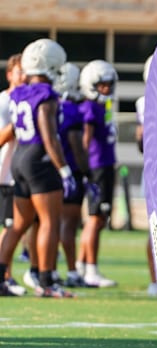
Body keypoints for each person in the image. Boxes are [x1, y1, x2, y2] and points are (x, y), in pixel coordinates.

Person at [0, 38, 76, 298]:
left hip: (20, 157)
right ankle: (46, 281)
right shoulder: (46, 96)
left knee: (19, 224)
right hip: (39, 160)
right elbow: (49, 136)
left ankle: (1, 277)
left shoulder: (19, 92)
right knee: (49, 221)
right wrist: (64, 169)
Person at [76, 60, 118, 287]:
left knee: (99, 218)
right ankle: (90, 269)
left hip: (104, 165)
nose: (106, 89)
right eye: (101, 85)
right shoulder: (90, 107)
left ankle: (83, 265)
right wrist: (86, 168)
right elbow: (86, 138)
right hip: (97, 166)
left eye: (108, 84)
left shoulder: (104, 106)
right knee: (94, 218)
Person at [53, 62, 92, 287]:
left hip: (53, 169)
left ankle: (44, 270)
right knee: (68, 224)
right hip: (71, 172)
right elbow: (77, 146)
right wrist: (87, 173)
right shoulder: (72, 110)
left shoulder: (53, 105)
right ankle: (71, 271)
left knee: (48, 224)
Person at [0, 54, 25, 296]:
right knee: (9, 228)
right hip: (4, 174)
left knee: (15, 227)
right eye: (19, 72)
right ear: (10, 75)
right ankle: (4, 276)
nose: (24, 77)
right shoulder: (4, 102)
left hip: (19, 174)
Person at [135, 55, 157, 297]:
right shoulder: (148, 102)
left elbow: (140, 140)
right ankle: (156, 280)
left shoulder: (143, 102)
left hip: (154, 169)